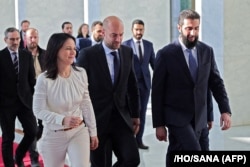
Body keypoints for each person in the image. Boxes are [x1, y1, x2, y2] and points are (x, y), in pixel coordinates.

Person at [151, 9, 232, 167]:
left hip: (200, 117)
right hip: (176, 116)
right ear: (179, 27)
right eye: (189, 28)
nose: (193, 33)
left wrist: (224, 110)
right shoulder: (165, 54)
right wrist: (159, 124)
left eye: (196, 28)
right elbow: (157, 92)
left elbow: (214, 83)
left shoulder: (206, 51)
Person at [77, 15, 140, 167]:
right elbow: (78, 90)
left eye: (121, 35)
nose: (118, 39)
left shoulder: (127, 52)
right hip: (97, 120)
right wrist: (82, 120)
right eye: (114, 35)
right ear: (103, 33)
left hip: (121, 118)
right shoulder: (88, 55)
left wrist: (136, 115)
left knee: (132, 159)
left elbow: (132, 85)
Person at [32, 33, 98, 167]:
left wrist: (93, 131)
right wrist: (62, 119)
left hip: (79, 132)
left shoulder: (81, 73)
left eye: (74, 48)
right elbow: (38, 110)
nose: (73, 52)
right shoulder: (44, 80)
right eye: (68, 48)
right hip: (53, 135)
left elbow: (86, 103)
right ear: (56, 50)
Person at [0, 27, 37, 167]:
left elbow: (31, 79)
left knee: (32, 132)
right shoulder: (1, 56)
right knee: (8, 138)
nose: (15, 42)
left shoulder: (26, 55)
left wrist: (34, 99)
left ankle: (19, 155)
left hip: (25, 102)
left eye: (17, 39)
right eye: (12, 39)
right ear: (5, 40)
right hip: (6, 104)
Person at [123, 19, 155, 150]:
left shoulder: (149, 45)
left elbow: (154, 64)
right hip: (130, 86)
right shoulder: (125, 45)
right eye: (136, 29)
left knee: (141, 113)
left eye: (141, 29)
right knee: (131, 113)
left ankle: (139, 140)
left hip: (145, 85)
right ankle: (129, 140)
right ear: (132, 30)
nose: (139, 32)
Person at [24, 27, 46, 166]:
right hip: (28, 95)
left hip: (44, 95)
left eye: (35, 37)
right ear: (26, 39)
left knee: (43, 126)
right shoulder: (22, 55)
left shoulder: (45, 54)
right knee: (31, 127)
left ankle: (29, 142)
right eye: (30, 37)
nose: (33, 40)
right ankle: (33, 158)